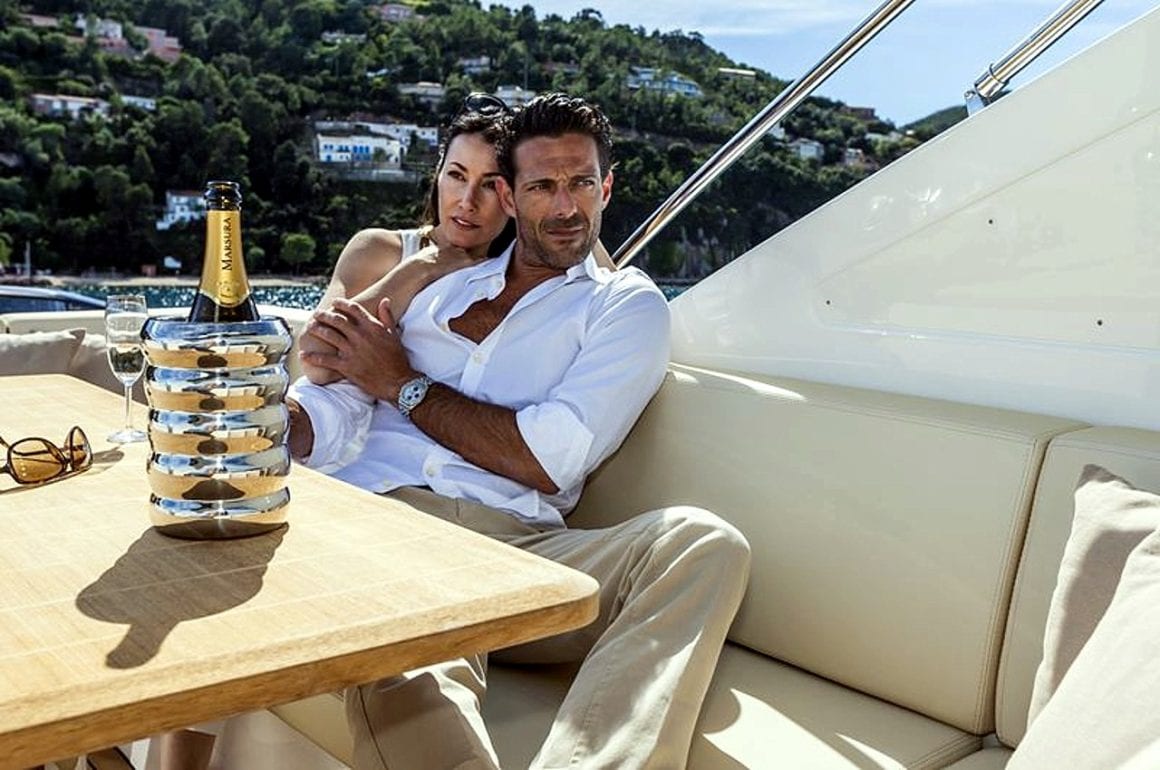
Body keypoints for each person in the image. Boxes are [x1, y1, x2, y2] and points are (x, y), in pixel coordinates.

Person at [289, 92, 750, 770]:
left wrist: (404, 384)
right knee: (412, 643)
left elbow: (547, 458)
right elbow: (347, 396)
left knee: (704, 542)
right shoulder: (441, 288)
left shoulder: (624, 306)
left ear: (606, 187)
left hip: (522, 553)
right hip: (387, 526)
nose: (565, 208)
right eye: (541, 186)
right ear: (511, 196)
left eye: (581, 183)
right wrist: (288, 426)